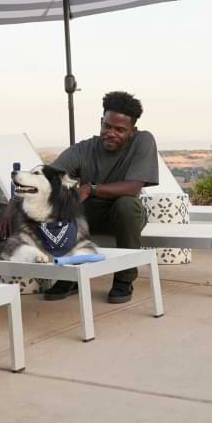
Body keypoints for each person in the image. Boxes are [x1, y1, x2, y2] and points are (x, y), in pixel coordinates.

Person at [46, 90, 158, 304]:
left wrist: (90, 189)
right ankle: (70, 276)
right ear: (101, 122)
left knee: (127, 205)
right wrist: (15, 201)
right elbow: (49, 176)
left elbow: (133, 188)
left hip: (123, 216)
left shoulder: (143, 141)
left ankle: (124, 278)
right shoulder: (85, 149)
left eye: (120, 130)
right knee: (65, 202)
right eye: (107, 126)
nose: (111, 133)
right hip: (90, 217)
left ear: (132, 131)